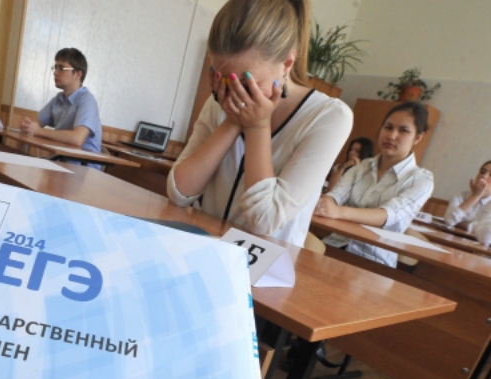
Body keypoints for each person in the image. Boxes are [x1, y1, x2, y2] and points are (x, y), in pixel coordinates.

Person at [167, 0, 352, 248]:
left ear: (287, 64)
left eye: (246, 85)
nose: (234, 96)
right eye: (224, 82)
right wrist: (232, 122)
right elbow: (179, 193)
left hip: (265, 267)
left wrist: (257, 126)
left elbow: (263, 220)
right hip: (204, 250)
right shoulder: (219, 101)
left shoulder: (329, 116)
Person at [315, 102, 434, 267]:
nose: (391, 136)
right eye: (388, 127)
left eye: (403, 130)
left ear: (418, 137)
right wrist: (327, 203)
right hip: (333, 246)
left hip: (374, 261)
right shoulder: (362, 167)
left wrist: (337, 211)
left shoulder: (421, 179)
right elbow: (335, 195)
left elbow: (387, 215)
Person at [20, 48, 103, 163]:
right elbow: (34, 123)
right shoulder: (58, 99)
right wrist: (27, 124)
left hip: (83, 168)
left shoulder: (87, 100)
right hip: (61, 161)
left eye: (62, 68)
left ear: (78, 74)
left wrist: (38, 131)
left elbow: (77, 139)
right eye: (55, 67)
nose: (55, 72)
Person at [443, 161, 491, 232]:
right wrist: (475, 196)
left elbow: (485, 231)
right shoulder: (459, 196)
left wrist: (460, 223)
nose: (484, 176)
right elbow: (449, 221)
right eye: (482, 172)